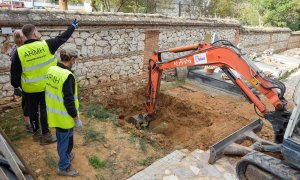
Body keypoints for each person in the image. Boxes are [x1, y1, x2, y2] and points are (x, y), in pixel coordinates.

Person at [10, 19, 79, 145]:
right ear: (35, 34)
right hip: (45, 86)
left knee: (32, 110)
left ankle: (36, 134)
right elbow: (62, 38)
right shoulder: (46, 45)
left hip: (29, 88)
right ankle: (46, 135)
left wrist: (16, 87)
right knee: (44, 110)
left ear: (25, 36)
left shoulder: (19, 52)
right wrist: (72, 27)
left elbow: (14, 74)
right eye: (37, 31)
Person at [45, 47, 82, 177]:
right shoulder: (67, 76)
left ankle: (66, 156)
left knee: (66, 140)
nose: (75, 62)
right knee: (64, 142)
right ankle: (63, 167)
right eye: (75, 59)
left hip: (54, 113)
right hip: (64, 117)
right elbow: (69, 101)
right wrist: (76, 119)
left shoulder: (52, 69)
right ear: (71, 59)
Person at [9, 30, 32, 133]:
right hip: (24, 81)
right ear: (21, 39)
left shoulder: (14, 49)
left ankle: (30, 123)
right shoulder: (18, 51)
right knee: (27, 103)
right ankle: (28, 125)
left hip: (24, 81)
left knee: (28, 103)